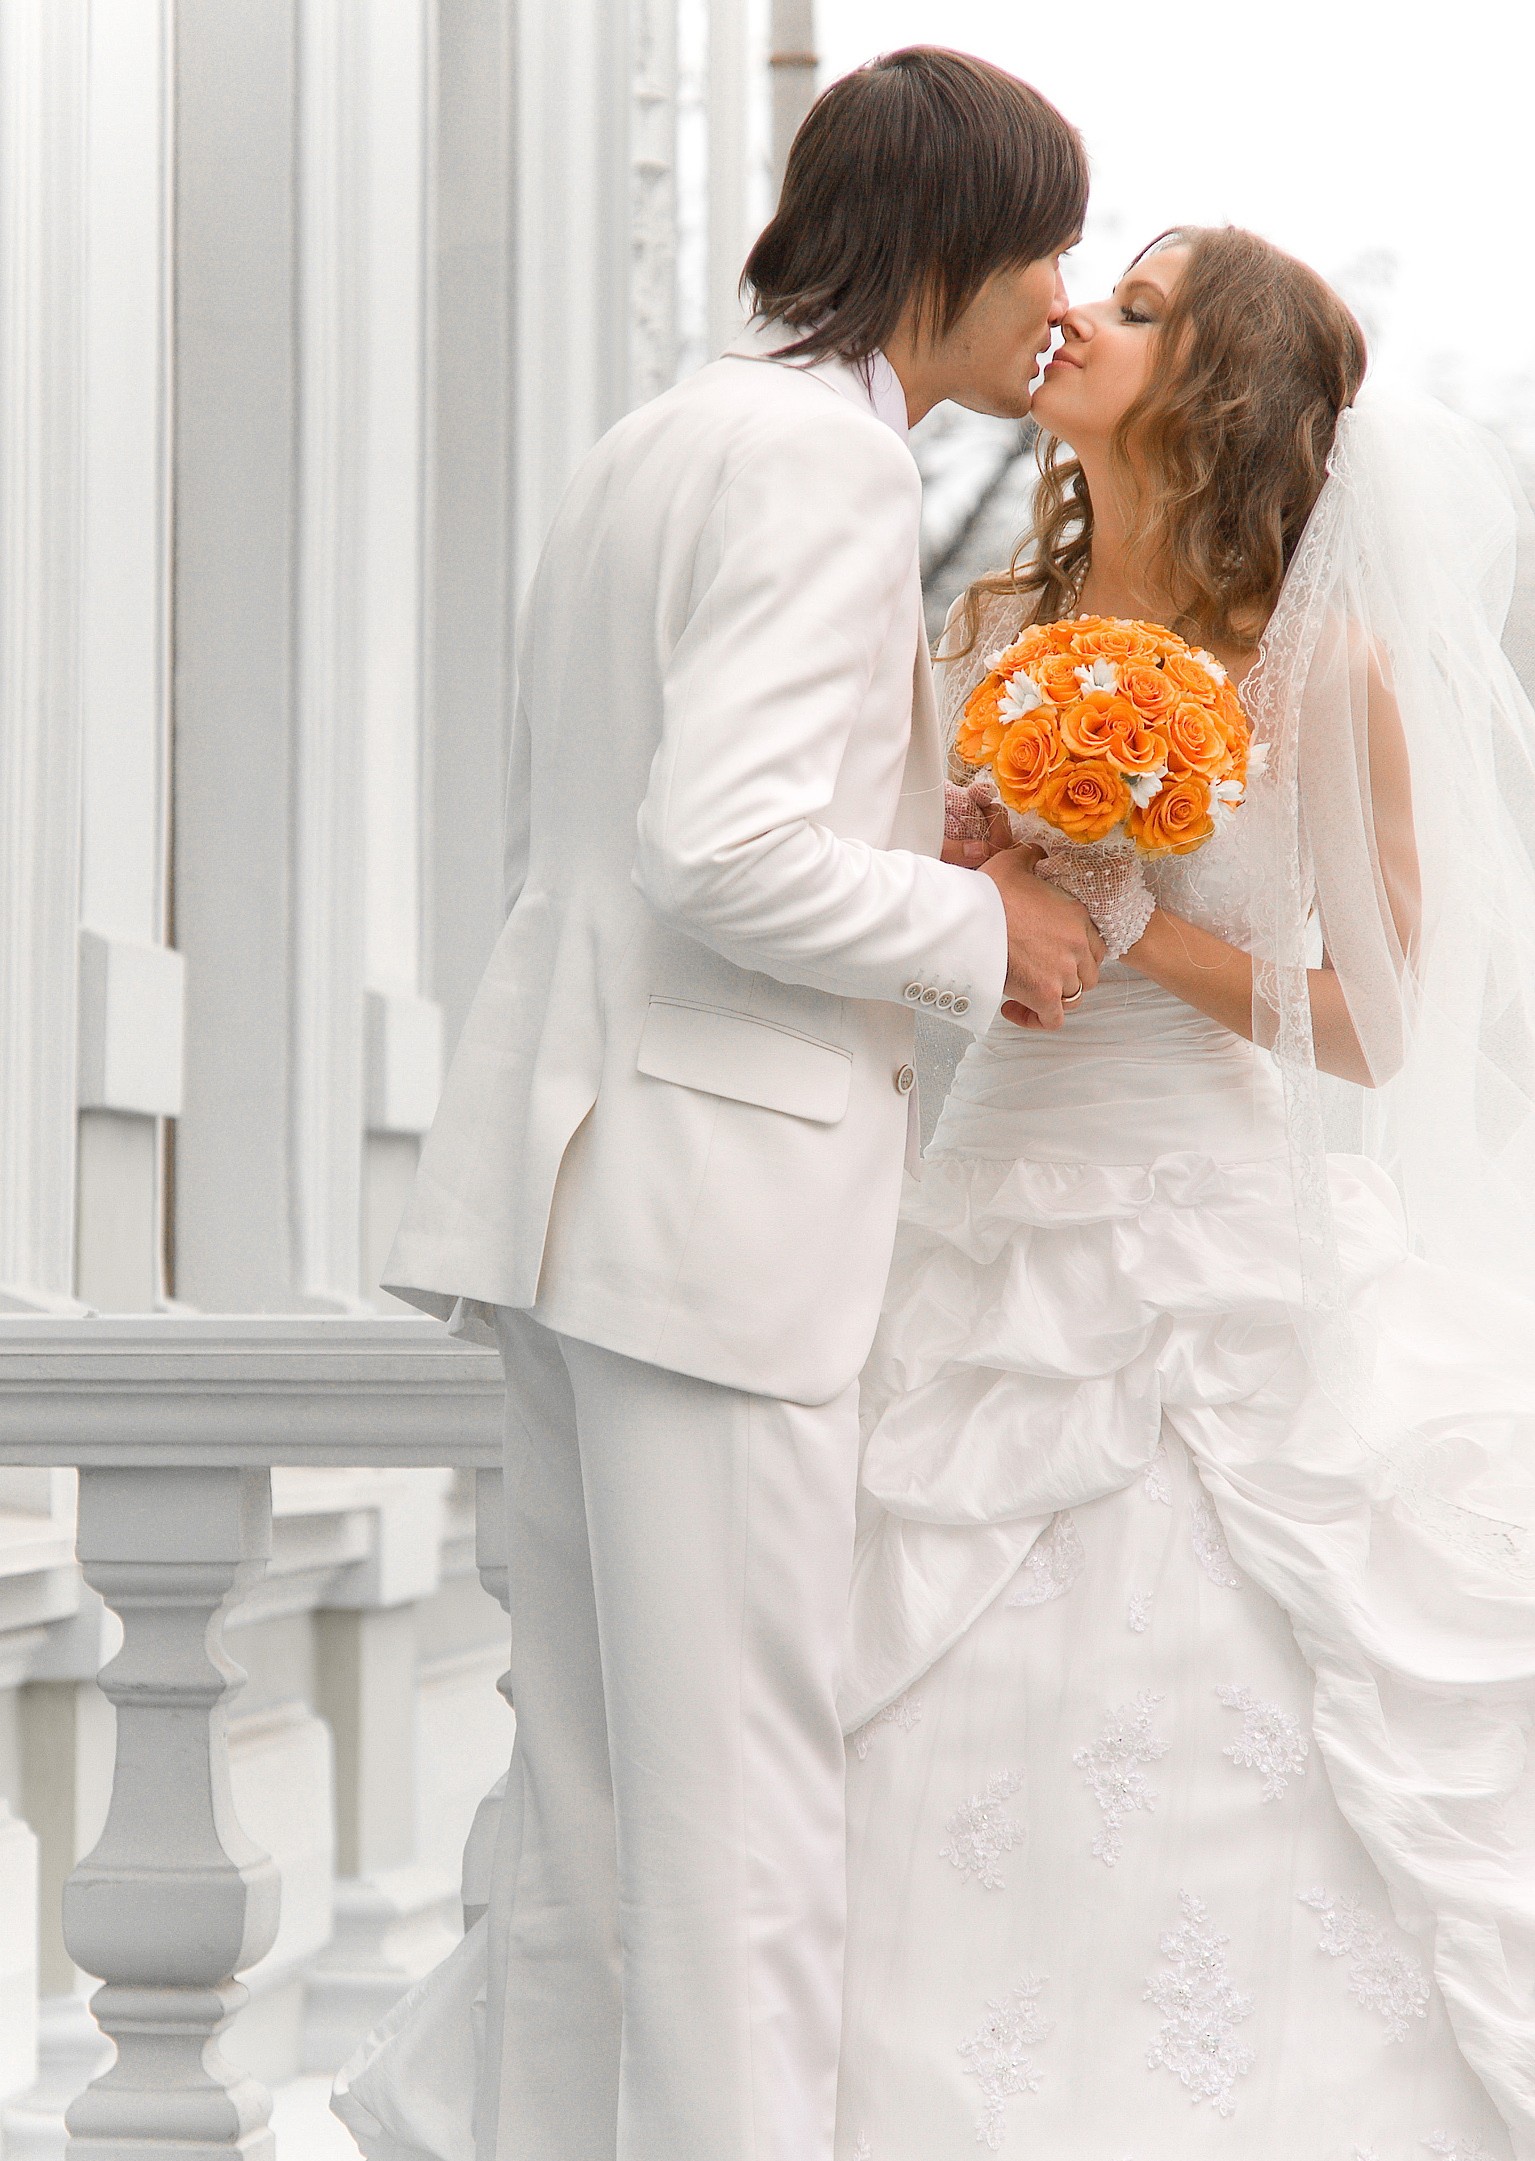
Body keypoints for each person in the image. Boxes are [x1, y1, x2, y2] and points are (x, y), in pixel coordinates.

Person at [332, 49, 1101, 2161]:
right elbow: (721, 846)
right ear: (944, 244)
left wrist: (913, 847)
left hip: (586, 1197)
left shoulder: (662, 437)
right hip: (719, 1223)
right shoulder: (831, 473)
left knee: (588, 1833)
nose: (1065, 289)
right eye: (1043, 240)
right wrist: (983, 942)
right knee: (744, 1835)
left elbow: (630, 828)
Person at [834, 227, 1535, 2160]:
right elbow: (899, 930)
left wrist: (1129, 927)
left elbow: (1376, 1026)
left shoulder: (1325, 666)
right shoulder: (976, 630)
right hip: (985, 1208)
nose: (1076, 317)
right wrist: (967, 891)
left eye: (1137, 309)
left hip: (1215, 1229)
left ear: (1214, 386)